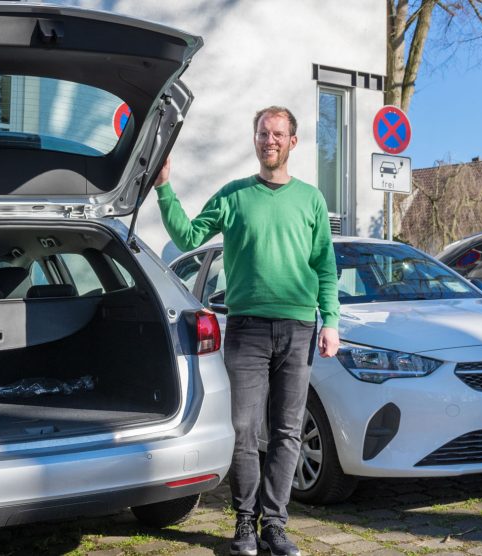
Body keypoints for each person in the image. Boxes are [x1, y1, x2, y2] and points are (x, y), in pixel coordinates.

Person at [153, 106, 340, 556]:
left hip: (297, 328)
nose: (269, 140)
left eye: (277, 134)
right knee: (243, 429)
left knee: (287, 431)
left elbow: (325, 267)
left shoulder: (311, 199)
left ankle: (275, 523)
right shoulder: (234, 196)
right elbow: (188, 235)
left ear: (292, 142)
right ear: (254, 139)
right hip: (247, 330)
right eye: (262, 132)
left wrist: (330, 320)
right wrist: (163, 187)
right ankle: (244, 523)